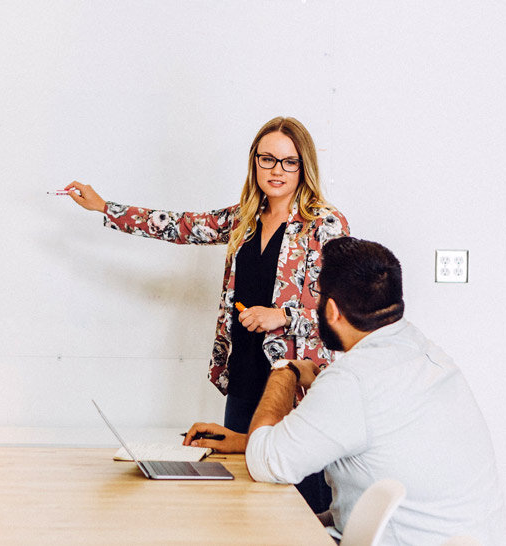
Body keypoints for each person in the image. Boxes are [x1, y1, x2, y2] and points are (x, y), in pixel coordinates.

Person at [67, 116, 348, 512]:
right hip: (244, 367)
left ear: (304, 167)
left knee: (294, 491)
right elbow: (180, 226)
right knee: (241, 489)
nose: (277, 171)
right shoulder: (243, 218)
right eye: (268, 159)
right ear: (254, 162)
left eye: (289, 161)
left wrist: (281, 316)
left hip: (292, 377)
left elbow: (341, 310)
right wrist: (104, 206)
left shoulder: (324, 224)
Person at [234, 237, 504, 543]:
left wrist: (287, 369)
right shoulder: (423, 351)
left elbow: (264, 462)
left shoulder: (352, 381)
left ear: (332, 310)